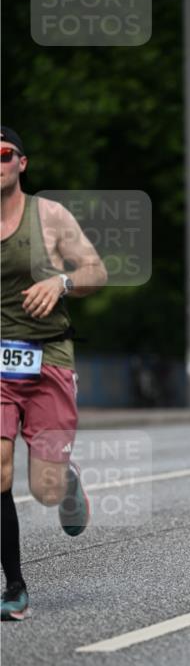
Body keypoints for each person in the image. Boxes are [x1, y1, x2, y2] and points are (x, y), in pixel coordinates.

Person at [1, 126, 107, 619]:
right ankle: (15, 587)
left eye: (4, 154)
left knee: (43, 489)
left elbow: (95, 271)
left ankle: (65, 479)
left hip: (47, 358)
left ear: (21, 162)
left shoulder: (48, 215)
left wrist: (61, 281)